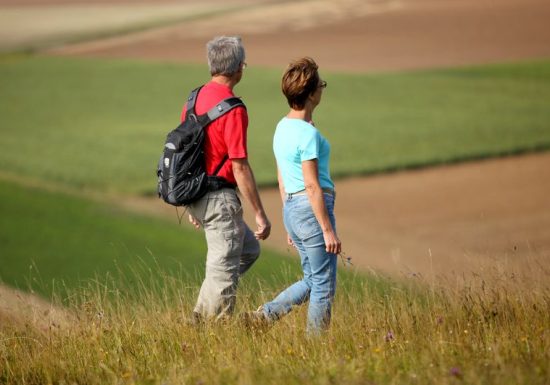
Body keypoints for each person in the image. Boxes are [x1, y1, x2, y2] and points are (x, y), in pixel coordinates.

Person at [247, 57, 341, 334]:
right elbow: (311, 185)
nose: (322, 89)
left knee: (312, 278)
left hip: (293, 209)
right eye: (321, 85)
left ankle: (264, 317)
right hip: (311, 210)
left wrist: (291, 222)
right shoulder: (306, 134)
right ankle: (316, 347)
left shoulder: (282, 127)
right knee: (323, 283)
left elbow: (282, 178)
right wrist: (327, 230)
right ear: (312, 93)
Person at [185, 36, 271, 322]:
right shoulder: (233, 109)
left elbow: (189, 154)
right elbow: (240, 166)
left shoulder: (193, 98)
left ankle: (198, 319)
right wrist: (260, 213)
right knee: (223, 276)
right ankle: (211, 336)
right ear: (237, 68)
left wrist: (190, 203)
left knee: (248, 249)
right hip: (220, 200)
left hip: (197, 193)